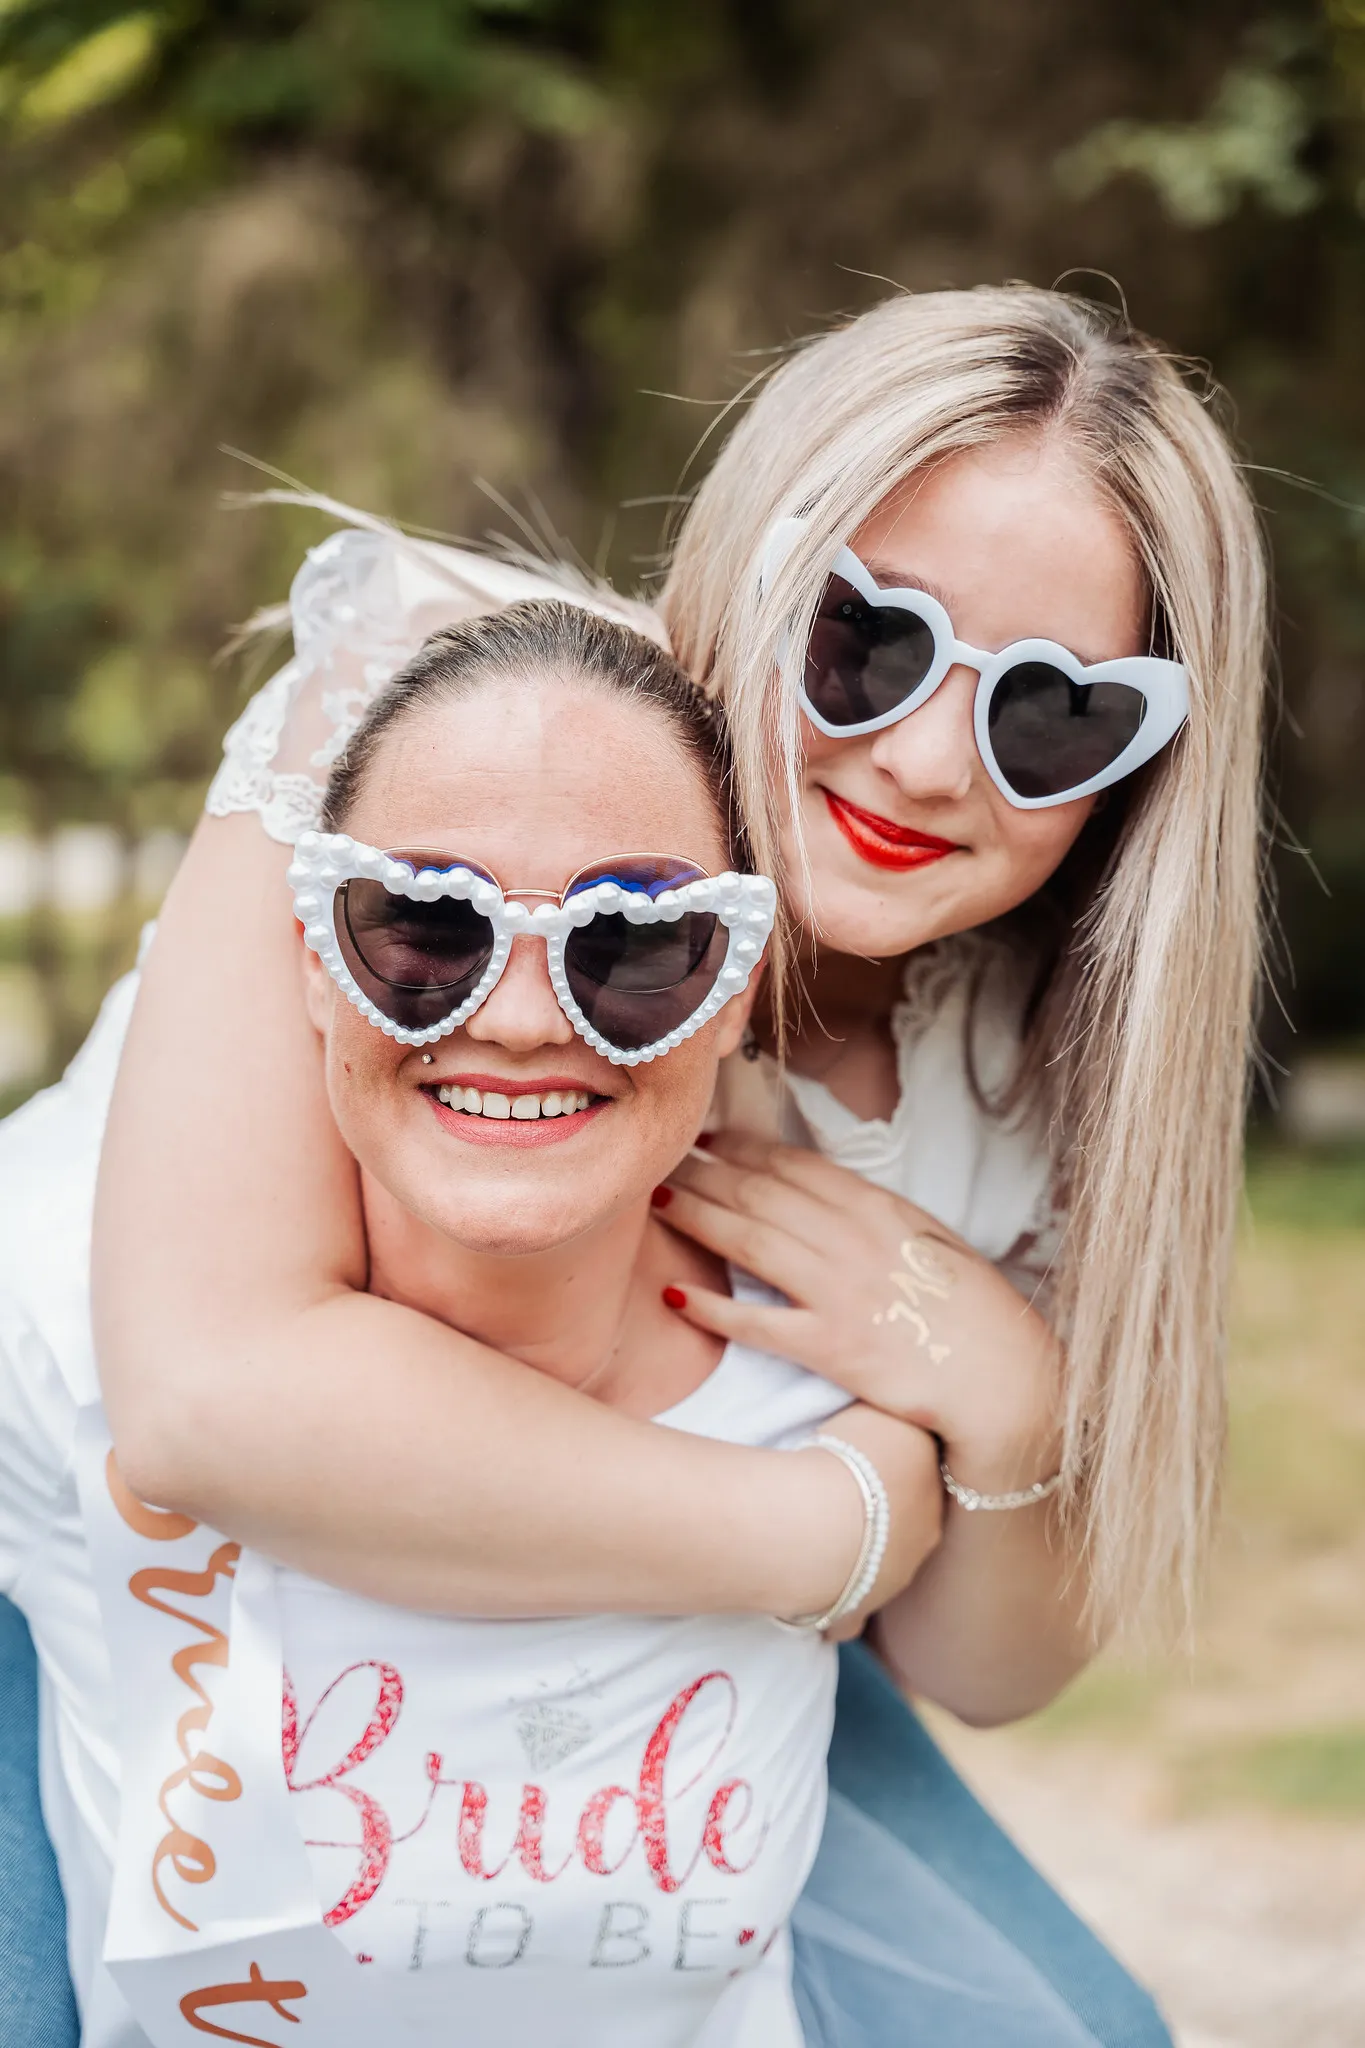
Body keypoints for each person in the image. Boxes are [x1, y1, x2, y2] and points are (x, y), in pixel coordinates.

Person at [21, 281, 1265, 2043]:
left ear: (1140, 772)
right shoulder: (454, 717)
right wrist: (822, 1528)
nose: (920, 756)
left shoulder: (1028, 1078)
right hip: (97, 1568)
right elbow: (216, 1401)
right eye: (866, 635)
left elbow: (980, 1673)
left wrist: (1007, 1402)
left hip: (617, 1692)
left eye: (1055, 715)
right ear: (764, 557)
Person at [0, 599, 947, 2047]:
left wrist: (1006, 1414)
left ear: (736, 984)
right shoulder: (74, 1311)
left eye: (634, 943)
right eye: (424, 925)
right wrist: (832, 1533)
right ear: (312, 957)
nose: (513, 1015)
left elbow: (1012, 1665)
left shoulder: (826, 1363)